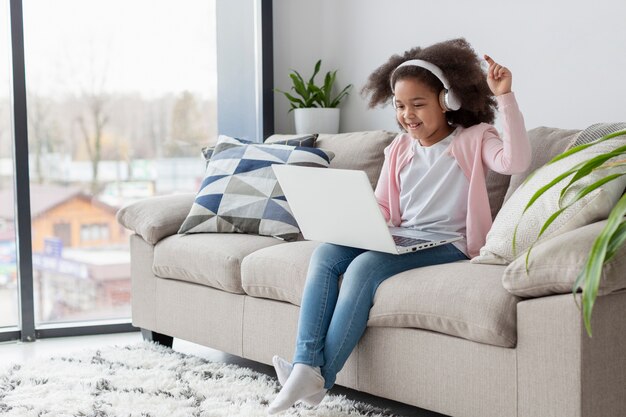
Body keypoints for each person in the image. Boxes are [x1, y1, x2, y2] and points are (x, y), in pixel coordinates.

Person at [267, 38, 531, 414]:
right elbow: (383, 207)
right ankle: (305, 364)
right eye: (400, 105)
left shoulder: (476, 138)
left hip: (450, 242)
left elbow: (516, 162)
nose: (408, 115)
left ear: (447, 101)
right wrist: (356, 223)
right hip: (402, 236)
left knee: (364, 268)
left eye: (418, 104)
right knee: (325, 254)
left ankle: (317, 378)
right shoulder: (400, 148)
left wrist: (506, 98)